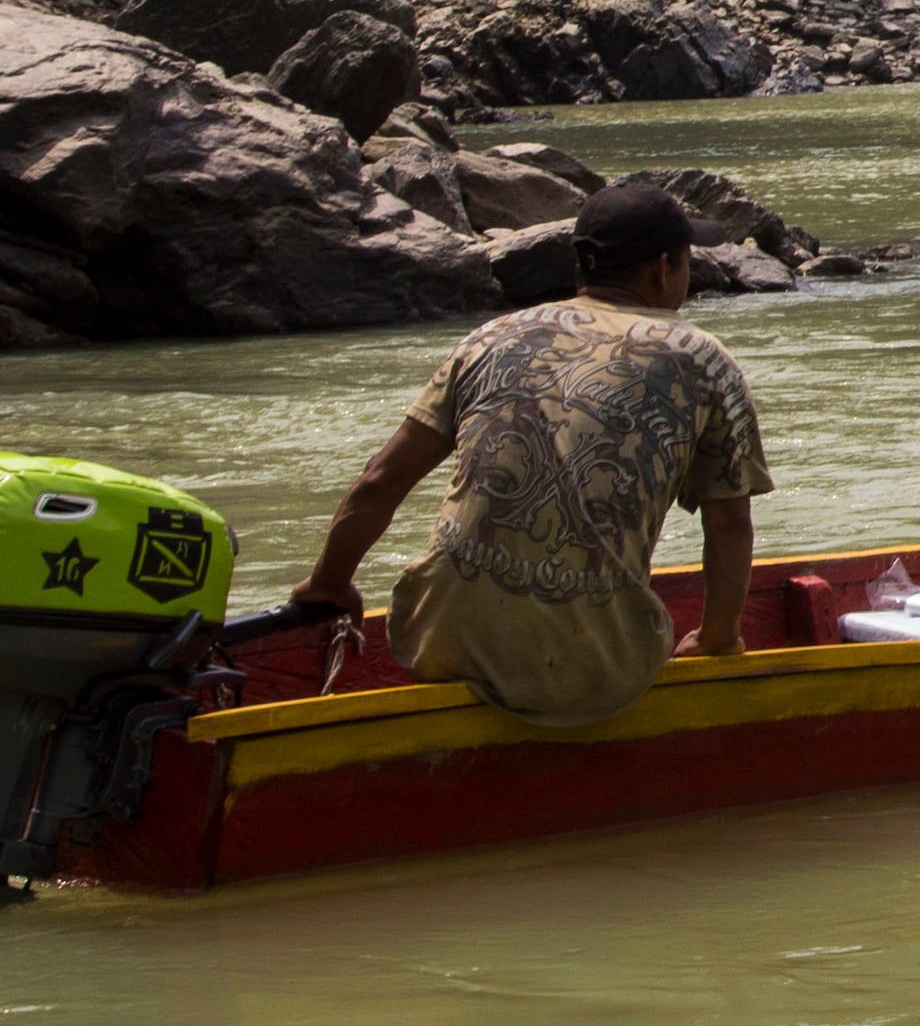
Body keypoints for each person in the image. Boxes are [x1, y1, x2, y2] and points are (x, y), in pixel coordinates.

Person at [287, 177, 770, 728]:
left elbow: (380, 480)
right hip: (598, 672)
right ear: (663, 269)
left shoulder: (488, 340)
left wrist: (328, 583)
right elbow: (729, 525)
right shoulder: (704, 362)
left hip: (441, 643)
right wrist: (718, 640)